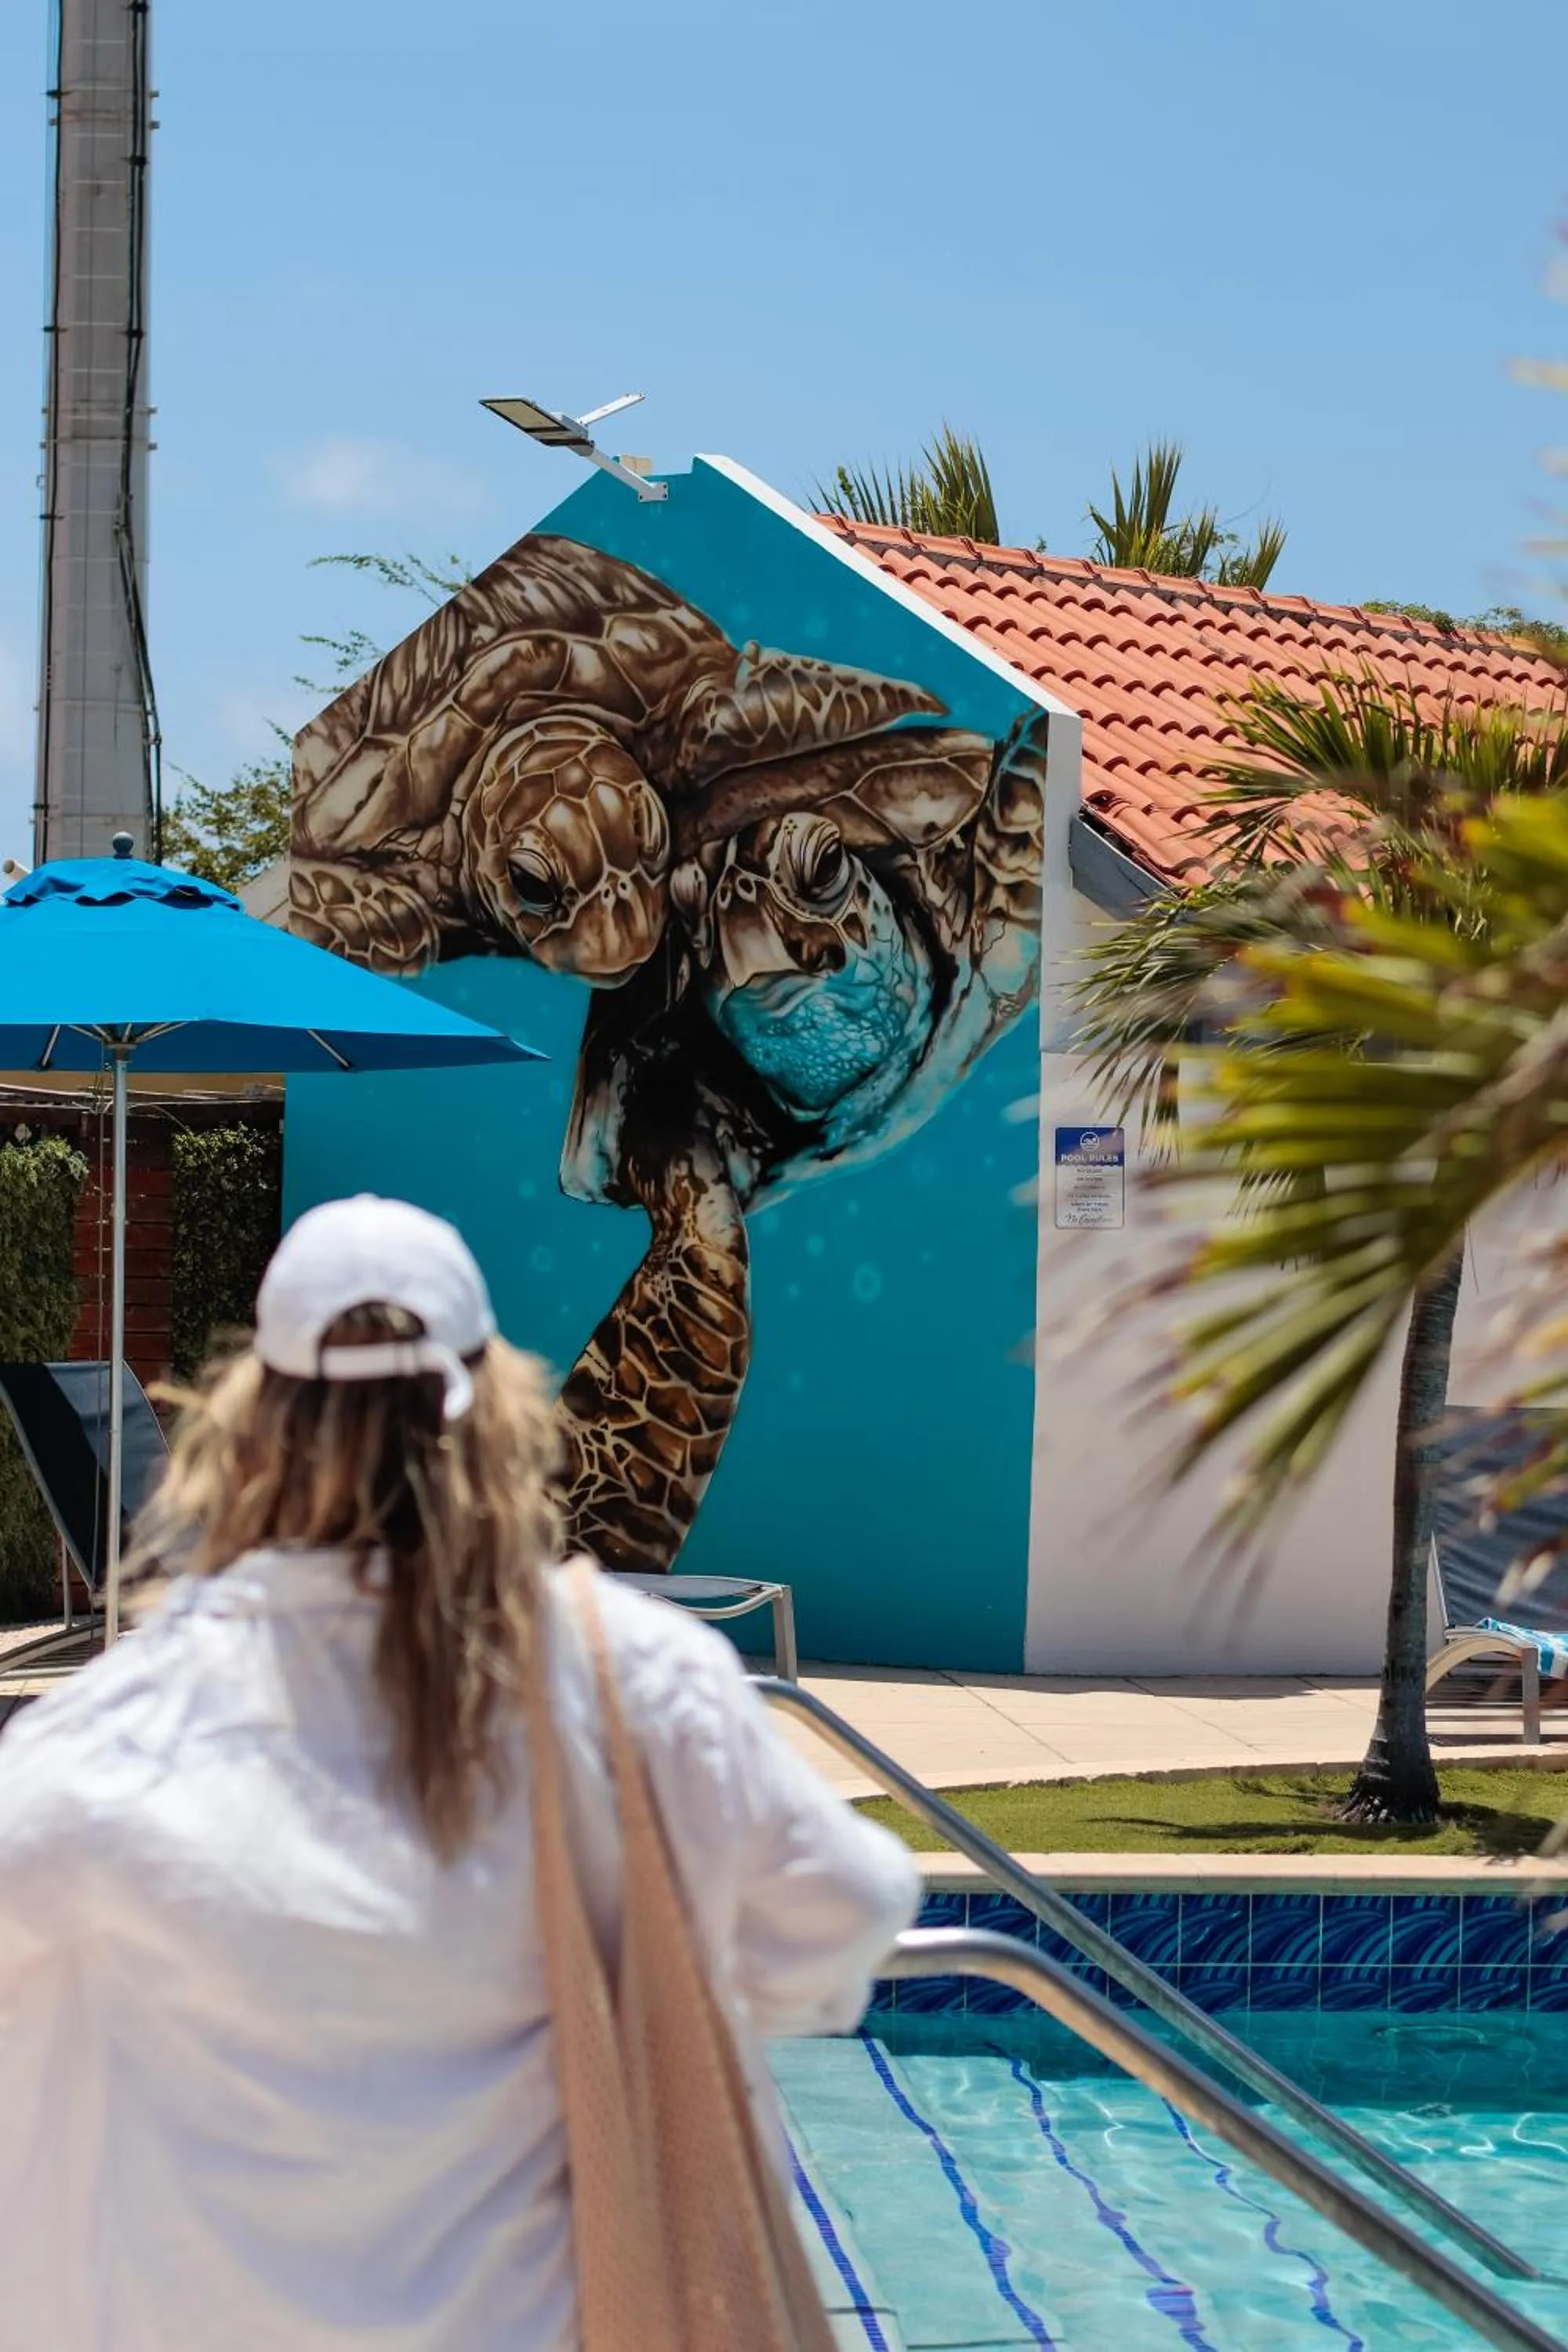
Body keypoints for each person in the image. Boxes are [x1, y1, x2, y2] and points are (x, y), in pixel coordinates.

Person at [0, 1195, 919, 2351]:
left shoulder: (109, 1747)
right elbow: (847, 1911)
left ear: (249, 1427)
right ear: (494, 1415)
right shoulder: (630, 1686)